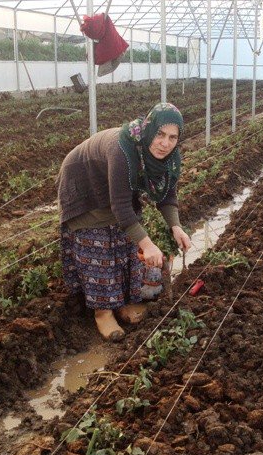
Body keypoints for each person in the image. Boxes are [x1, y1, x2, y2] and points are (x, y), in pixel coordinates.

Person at [57, 102, 192, 341]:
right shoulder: (122, 149)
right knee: (98, 249)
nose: (165, 143)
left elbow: (168, 193)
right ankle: (103, 313)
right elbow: (120, 206)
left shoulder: (169, 158)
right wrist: (148, 245)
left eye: (173, 137)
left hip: (114, 186)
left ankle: (123, 304)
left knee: (124, 245)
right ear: (150, 129)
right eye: (160, 134)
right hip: (84, 184)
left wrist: (176, 226)